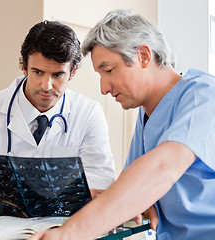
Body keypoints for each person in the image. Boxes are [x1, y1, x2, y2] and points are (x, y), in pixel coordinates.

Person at [30, 9, 215, 240]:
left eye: (109, 70)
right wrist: (142, 200)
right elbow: (134, 181)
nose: (103, 88)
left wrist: (70, 233)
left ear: (144, 56)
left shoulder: (205, 96)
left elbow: (160, 169)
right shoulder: (147, 113)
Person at [0, 20, 116, 206]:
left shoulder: (89, 113)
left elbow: (100, 179)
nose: (46, 86)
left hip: (65, 226)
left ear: (72, 72)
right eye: (37, 72)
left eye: (58, 75)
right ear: (24, 66)